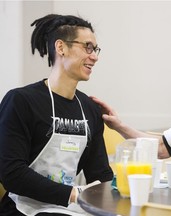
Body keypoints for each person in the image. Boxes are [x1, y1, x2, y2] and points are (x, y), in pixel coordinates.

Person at [0, 14, 113, 216]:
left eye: (95, 49)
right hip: (24, 208)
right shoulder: (21, 101)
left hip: (69, 206)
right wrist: (73, 194)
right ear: (61, 47)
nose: (94, 56)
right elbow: (11, 173)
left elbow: (100, 175)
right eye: (87, 47)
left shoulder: (90, 108)